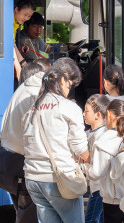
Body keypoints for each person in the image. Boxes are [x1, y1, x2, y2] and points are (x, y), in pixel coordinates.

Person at [22, 58, 89, 223]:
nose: (69, 89)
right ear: (62, 80)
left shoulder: (32, 109)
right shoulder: (69, 108)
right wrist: (91, 159)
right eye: (69, 85)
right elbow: (79, 147)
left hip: (33, 179)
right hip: (59, 179)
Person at [0, 58, 52, 223]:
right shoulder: (35, 94)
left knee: (23, 210)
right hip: (23, 162)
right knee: (29, 212)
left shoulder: (22, 89)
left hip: (9, 160)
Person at [88, 99, 124, 223]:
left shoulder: (105, 139)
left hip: (112, 199)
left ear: (109, 114)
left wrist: (84, 167)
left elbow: (96, 173)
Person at [82, 94, 111, 223]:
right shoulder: (88, 134)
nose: (83, 114)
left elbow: (95, 164)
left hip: (100, 188)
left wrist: (81, 166)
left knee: (91, 220)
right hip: (96, 188)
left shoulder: (102, 135)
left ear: (98, 115)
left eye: (86, 111)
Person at [14, 0, 35, 84]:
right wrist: (18, 68)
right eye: (25, 14)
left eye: (29, 16)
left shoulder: (15, 24)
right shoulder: (7, 21)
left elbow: (12, 45)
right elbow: (8, 46)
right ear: (16, 9)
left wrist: (23, 64)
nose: (26, 18)